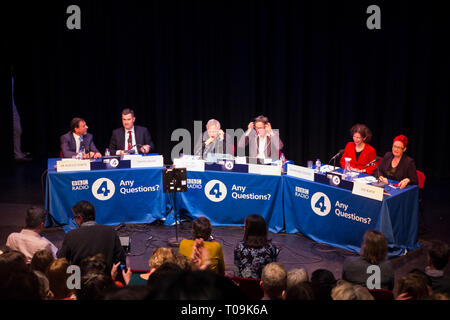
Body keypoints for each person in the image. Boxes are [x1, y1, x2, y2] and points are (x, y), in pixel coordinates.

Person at [57, 200, 126, 272]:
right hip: (106, 279)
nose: (74, 220)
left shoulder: (71, 235)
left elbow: (60, 260)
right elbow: (120, 259)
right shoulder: (111, 231)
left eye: (74, 218)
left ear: (80, 218)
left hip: (80, 281)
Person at [234, 214, 278, 279]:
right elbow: (273, 271)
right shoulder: (271, 248)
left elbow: (236, 270)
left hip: (244, 284)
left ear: (248, 229)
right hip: (264, 285)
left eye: (245, 226)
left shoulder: (240, 247)